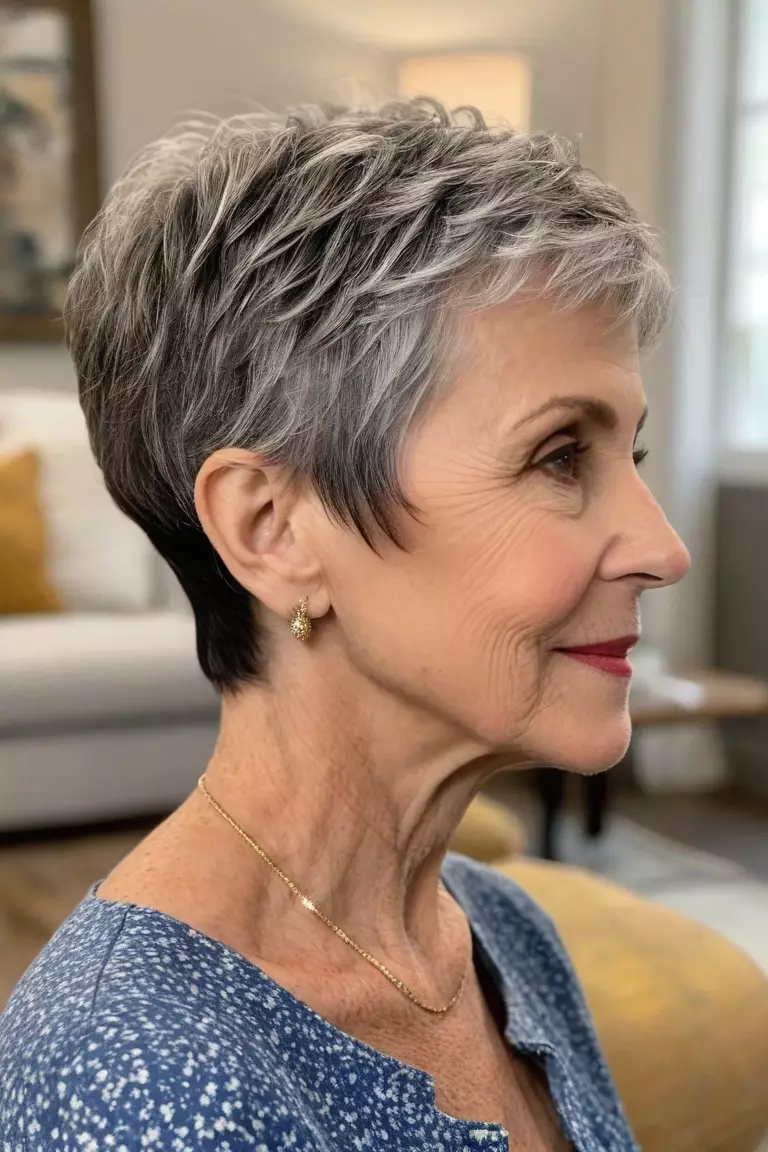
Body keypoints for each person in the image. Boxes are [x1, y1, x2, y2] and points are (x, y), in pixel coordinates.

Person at [0, 98, 690, 1150]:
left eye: (627, 459)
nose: (663, 548)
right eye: (559, 457)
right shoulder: (136, 1087)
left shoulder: (505, 935)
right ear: (272, 529)